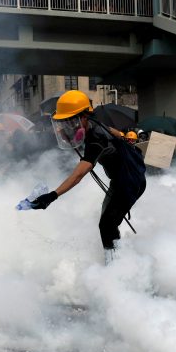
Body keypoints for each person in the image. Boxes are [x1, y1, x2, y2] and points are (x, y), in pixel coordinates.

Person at [30, 90, 147, 264]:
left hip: (129, 182)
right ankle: (118, 259)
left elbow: (78, 175)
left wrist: (53, 195)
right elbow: (112, 131)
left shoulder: (96, 139)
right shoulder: (94, 123)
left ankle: (117, 267)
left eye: (72, 121)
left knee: (107, 225)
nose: (69, 126)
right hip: (121, 180)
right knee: (107, 222)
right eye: (65, 122)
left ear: (85, 116)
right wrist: (121, 137)